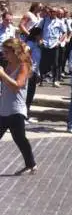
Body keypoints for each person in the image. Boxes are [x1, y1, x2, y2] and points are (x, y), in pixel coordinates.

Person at [0, 38, 37, 174]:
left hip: (16, 110)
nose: (4, 54)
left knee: (20, 139)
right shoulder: (7, 64)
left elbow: (17, 86)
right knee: (20, 139)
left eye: (6, 52)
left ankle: (31, 164)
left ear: (15, 52)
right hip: (3, 108)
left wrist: (2, 74)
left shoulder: (23, 66)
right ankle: (31, 164)